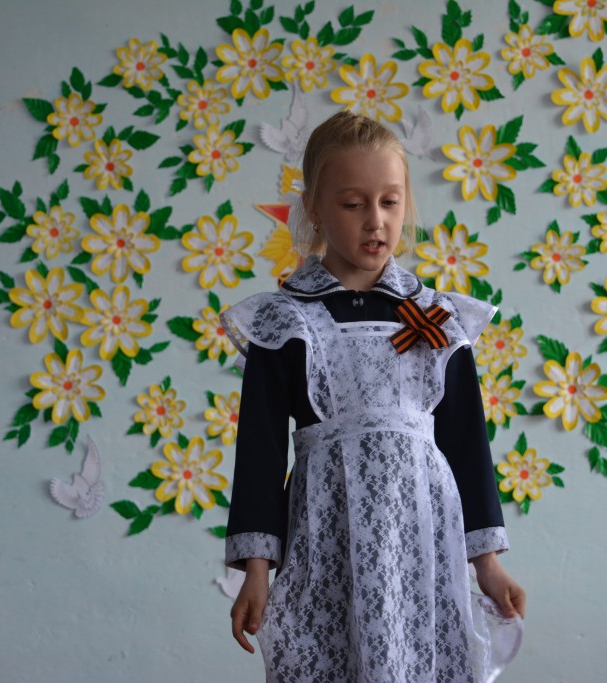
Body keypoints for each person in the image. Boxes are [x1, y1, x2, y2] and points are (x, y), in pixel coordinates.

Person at [221, 110, 525, 682]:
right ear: (314, 208)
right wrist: (256, 570)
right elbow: (259, 452)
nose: (375, 221)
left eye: (389, 202)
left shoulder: (437, 317)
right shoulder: (285, 320)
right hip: (326, 535)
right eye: (353, 204)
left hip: (421, 539)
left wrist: (487, 564)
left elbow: (466, 443)